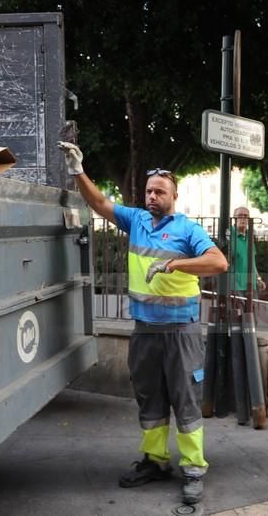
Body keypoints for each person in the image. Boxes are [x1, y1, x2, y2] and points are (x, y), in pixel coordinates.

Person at [57, 141, 228, 505]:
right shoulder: (135, 220)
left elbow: (219, 263)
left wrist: (175, 263)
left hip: (181, 333)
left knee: (185, 402)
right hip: (145, 332)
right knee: (149, 400)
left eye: (159, 192)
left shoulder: (188, 230)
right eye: (149, 191)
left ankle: (194, 469)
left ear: (174, 196)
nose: (152, 196)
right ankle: (155, 461)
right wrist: (77, 171)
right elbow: (100, 203)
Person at [230, 206, 266, 295]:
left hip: (251, 285)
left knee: (252, 309)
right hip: (235, 287)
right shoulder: (229, 236)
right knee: (238, 309)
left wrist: (258, 279)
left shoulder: (249, 236)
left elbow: (252, 262)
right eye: (240, 216)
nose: (243, 219)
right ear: (234, 218)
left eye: (246, 216)